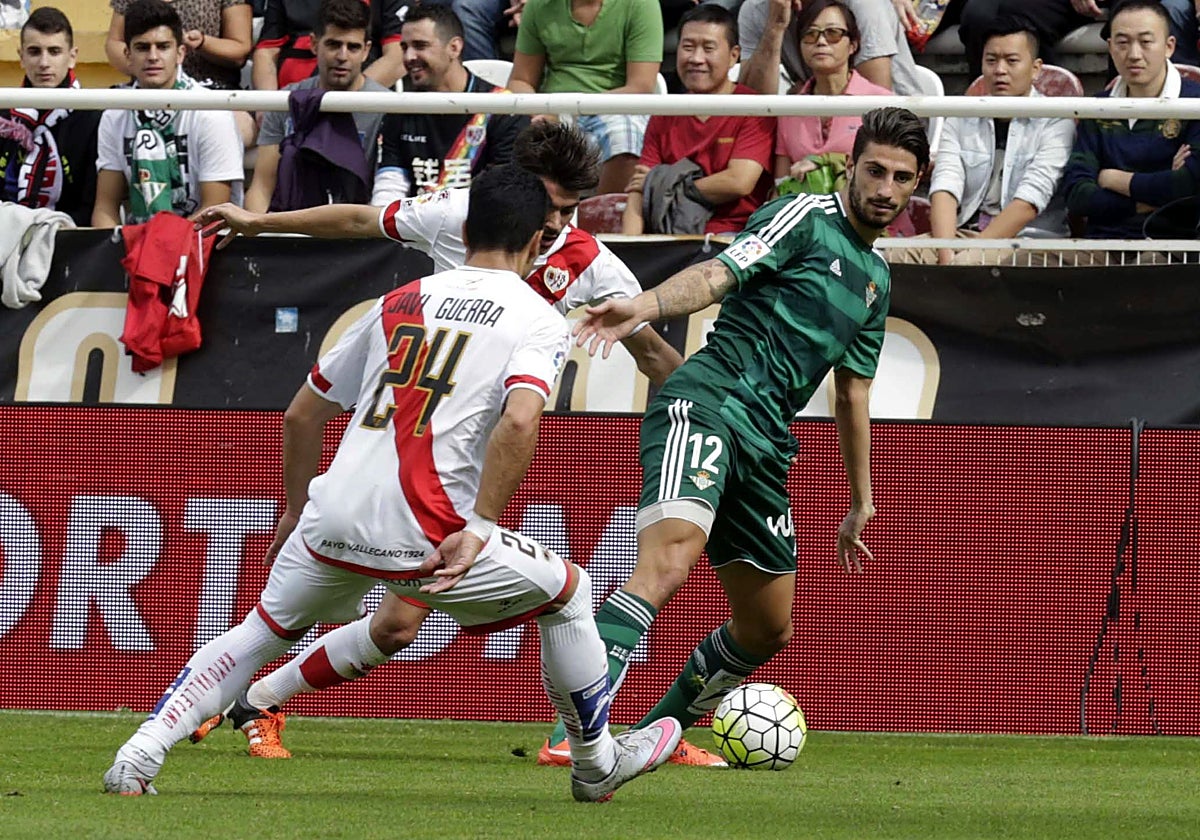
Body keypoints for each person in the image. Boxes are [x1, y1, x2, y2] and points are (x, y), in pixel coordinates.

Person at [103, 164, 683, 801]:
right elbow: (520, 420)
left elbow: (303, 412)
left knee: (259, 631)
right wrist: (481, 526)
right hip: (427, 531)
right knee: (569, 594)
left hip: (333, 514)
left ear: (465, 227)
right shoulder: (536, 318)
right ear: (534, 240)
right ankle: (596, 762)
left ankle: (140, 753)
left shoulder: (395, 301)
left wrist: (296, 511)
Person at [547, 107, 928, 767]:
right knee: (667, 564)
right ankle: (574, 735)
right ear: (853, 165)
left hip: (766, 443)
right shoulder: (803, 215)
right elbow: (720, 275)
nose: (885, 188)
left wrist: (860, 498)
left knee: (766, 626)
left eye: (901, 177)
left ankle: (659, 733)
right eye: (875, 170)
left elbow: (853, 392)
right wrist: (646, 304)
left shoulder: (875, 281)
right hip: (710, 404)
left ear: (915, 183)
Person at [889, 23, 1075, 265]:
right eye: (991, 60)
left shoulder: (1057, 120)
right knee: (890, 258)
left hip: (1030, 243)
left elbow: (1029, 202)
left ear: (1035, 69)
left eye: (1011, 60)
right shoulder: (961, 114)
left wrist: (972, 256)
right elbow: (945, 187)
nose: (1000, 70)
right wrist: (945, 253)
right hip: (963, 235)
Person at [622, 4, 774, 235]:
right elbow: (639, 190)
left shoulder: (754, 107)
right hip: (669, 237)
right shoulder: (665, 111)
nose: (696, 58)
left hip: (732, 239)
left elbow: (738, 181)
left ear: (734, 56)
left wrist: (664, 183)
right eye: (688, 47)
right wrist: (630, 249)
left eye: (708, 48)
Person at [92, 0, 244, 227]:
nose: (153, 56)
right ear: (127, 54)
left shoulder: (211, 113)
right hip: (138, 244)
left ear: (181, 53)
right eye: (143, 47)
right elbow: (105, 208)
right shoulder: (115, 115)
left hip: (202, 245)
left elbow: (214, 211)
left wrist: (161, 245)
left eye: (163, 47)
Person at [1061, 0, 1200, 241]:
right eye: (1123, 43)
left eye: (1146, 42)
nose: (1134, 54)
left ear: (1169, 46)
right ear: (1110, 47)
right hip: (1101, 247)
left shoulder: (1195, 102)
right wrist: (1154, 192)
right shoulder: (1097, 108)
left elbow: (1189, 186)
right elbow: (1077, 194)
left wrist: (1112, 178)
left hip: (1172, 247)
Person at [370, 5, 528, 202]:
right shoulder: (400, 109)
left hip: (479, 227)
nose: (409, 57)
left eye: (420, 46)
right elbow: (389, 185)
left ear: (454, 47)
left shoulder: (502, 108)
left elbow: (505, 196)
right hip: (413, 227)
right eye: (404, 48)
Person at [246, 0, 391, 214]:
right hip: (293, 227)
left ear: (366, 51)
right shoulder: (285, 102)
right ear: (314, 44)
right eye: (333, 44)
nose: (342, 56)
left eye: (353, 47)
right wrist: (256, 237)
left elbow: (388, 190)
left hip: (359, 231)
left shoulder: (387, 107)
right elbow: (262, 187)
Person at [508, 0, 664, 194]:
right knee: (512, 134)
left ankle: (598, 219)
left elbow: (641, 86)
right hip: (553, 110)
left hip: (614, 107)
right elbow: (520, 80)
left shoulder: (641, 4)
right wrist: (539, 111)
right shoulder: (538, 5)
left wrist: (578, 109)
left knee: (625, 137)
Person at [773, 0, 895, 196]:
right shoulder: (790, 107)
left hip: (866, 216)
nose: (821, 42)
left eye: (833, 34)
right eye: (811, 35)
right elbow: (781, 185)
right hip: (805, 218)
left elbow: (890, 172)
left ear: (853, 45)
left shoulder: (881, 102)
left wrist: (824, 162)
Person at [0, 7, 101, 226]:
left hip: (69, 238)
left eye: (54, 51)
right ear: (21, 57)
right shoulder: (3, 114)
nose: (44, 63)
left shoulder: (94, 117)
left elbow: (91, 206)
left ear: (72, 57)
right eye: (35, 51)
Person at [106, 0, 255, 145]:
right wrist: (148, 67)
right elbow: (114, 43)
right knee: (99, 119)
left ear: (180, 52)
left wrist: (202, 42)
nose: (153, 56)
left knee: (234, 127)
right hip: (145, 91)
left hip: (212, 91)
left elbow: (240, 49)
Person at [739, 0, 921, 95]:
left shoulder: (864, 4)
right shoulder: (755, 9)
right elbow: (752, 107)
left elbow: (876, 103)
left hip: (896, 126)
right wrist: (775, 26)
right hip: (815, 118)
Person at [252, 0, 411, 91]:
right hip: (287, 103)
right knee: (228, 122)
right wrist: (268, 107)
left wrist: (346, 101)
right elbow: (266, 50)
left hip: (356, 103)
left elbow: (398, 56)